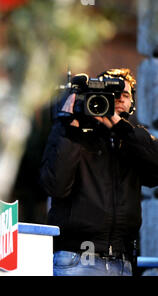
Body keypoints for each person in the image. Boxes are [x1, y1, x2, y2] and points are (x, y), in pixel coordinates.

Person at [40, 68, 158, 276]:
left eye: (126, 95)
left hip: (123, 262)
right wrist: (69, 124)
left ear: (132, 104)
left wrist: (121, 128)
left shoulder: (135, 141)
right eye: (114, 95)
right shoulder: (74, 133)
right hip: (76, 259)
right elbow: (55, 185)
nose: (120, 99)